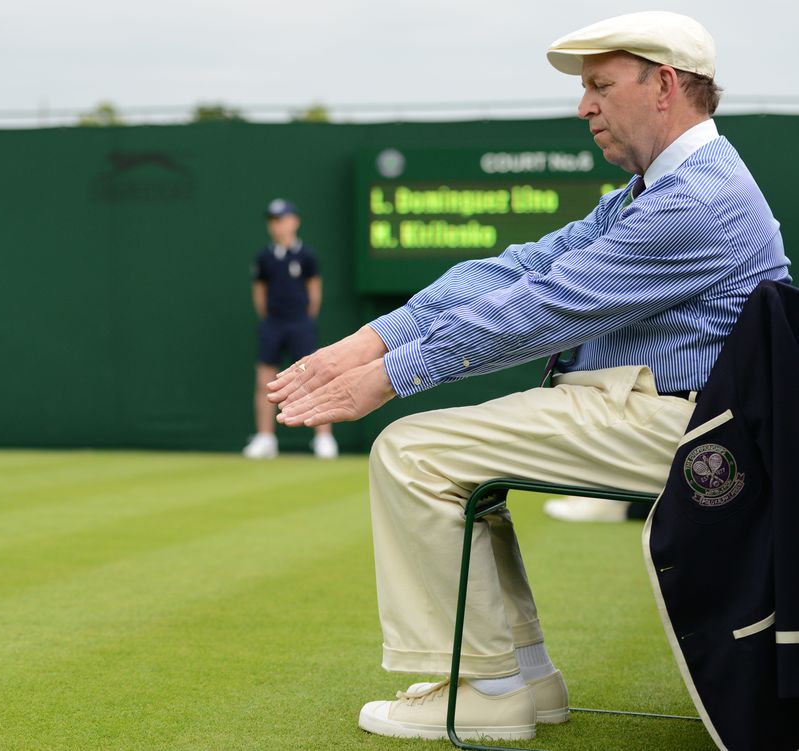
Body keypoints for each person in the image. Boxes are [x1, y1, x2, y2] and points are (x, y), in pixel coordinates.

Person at [267, 11, 791, 742]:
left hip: (684, 423)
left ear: (664, 85)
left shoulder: (694, 200)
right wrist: (366, 340)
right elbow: (521, 266)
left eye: (601, 86)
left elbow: (541, 306)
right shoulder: (656, 188)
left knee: (411, 450)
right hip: (649, 405)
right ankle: (519, 677)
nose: (584, 107)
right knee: (433, 452)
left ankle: (491, 687)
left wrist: (391, 375)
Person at [243, 199, 338, 460]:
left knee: (313, 378)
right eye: (272, 221)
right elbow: (259, 294)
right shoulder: (263, 258)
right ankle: (265, 438)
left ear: (294, 221)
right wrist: (271, 319)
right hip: (273, 324)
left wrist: (304, 320)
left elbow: (314, 292)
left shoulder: (307, 256)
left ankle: (323, 438)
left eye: (282, 219)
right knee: (265, 381)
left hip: (300, 323)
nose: (277, 225)